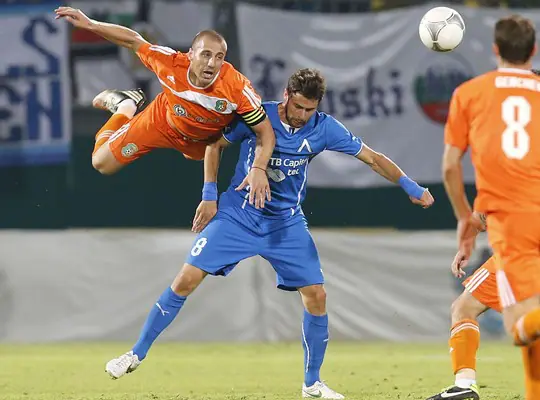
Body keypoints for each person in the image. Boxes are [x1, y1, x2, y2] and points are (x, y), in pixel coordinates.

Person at [104, 68, 434, 399]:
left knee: (316, 295)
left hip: (285, 223)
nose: (302, 115)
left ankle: (312, 384)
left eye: (310, 109)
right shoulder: (257, 116)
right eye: (298, 106)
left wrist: (410, 186)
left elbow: (373, 159)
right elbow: (214, 145)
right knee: (185, 280)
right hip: (238, 215)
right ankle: (135, 354)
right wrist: (209, 195)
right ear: (286, 96)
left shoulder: (324, 128)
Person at [54, 6, 274, 207]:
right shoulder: (171, 64)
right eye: (206, 54)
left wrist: (258, 168)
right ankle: (125, 106)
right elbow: (133, 40)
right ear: (191, 55)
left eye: (219, 57)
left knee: (199, 154)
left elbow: (266, 132)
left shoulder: (237, 88)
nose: (212, 63)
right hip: (161, 122)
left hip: (199, 143)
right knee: (101, 163)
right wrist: (91, 24)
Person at [442, 15, 540, 400]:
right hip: (511, 218)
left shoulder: (470, 93)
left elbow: (450, 166)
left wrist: (465, 220)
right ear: (533, 50)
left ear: (495, 49)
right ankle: (463, 386)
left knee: (521, 325)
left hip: (515, 225)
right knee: (466, 306)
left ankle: (465, 384)